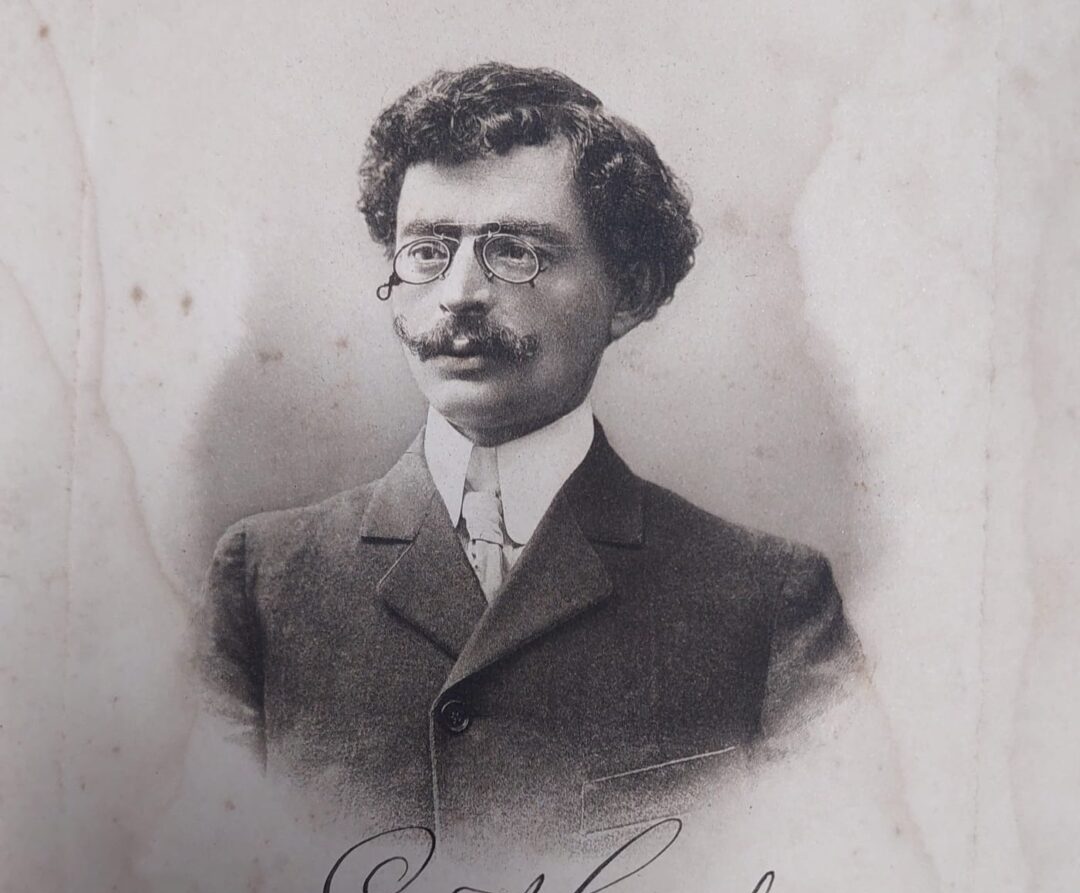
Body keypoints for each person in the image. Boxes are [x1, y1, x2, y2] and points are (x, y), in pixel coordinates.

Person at [199, 62, 859, 851]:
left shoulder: (768, 602)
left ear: (629, 293)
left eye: (514, 252)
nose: (458, 294)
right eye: (426, 251)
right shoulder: (265, 582)